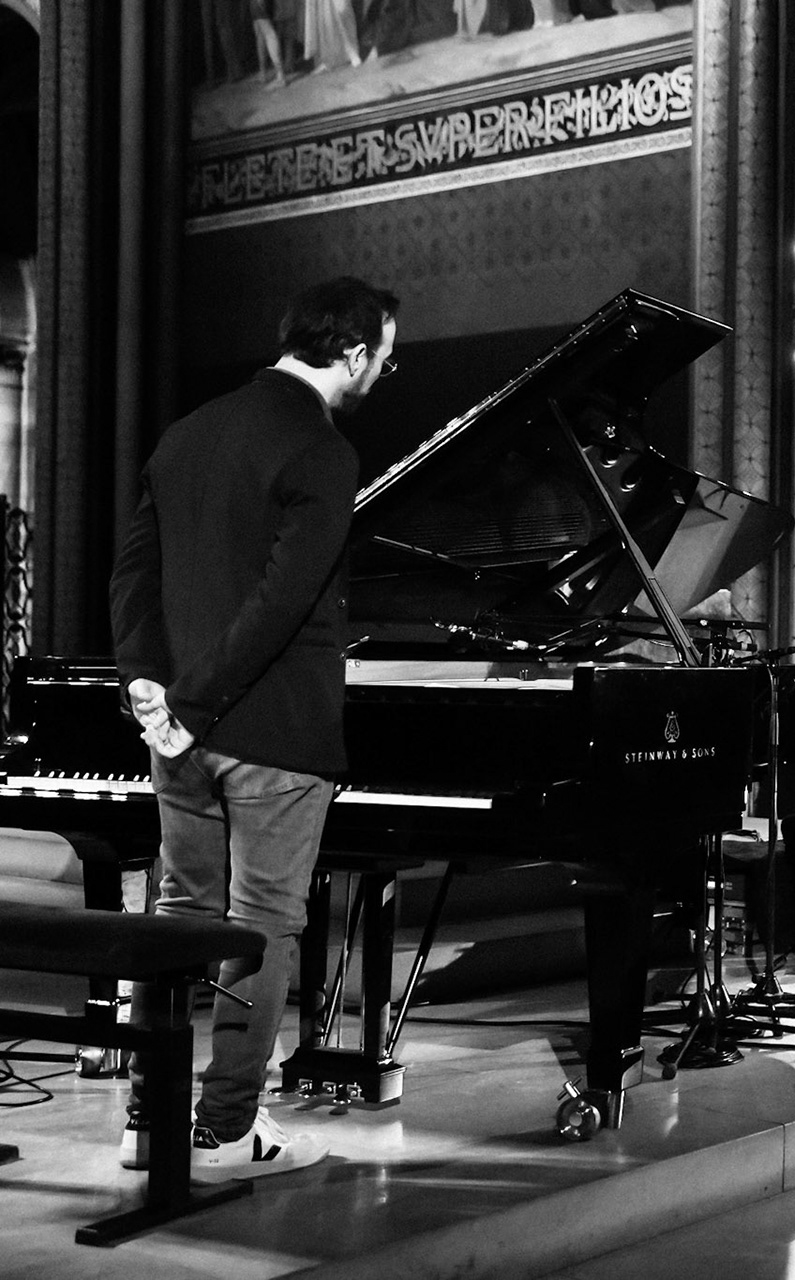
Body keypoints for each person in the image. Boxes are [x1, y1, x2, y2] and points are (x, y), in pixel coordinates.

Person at [109, 276, 400, 1181]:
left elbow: (132, 577)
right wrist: (191, 706)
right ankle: (227, 1129)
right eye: (385, 358)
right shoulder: (321, 449)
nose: (383, 373)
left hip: (177, 739)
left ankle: (146, 1123)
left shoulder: (187, 433)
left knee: (180, 915)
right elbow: (282, 604)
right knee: (265, 924)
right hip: (270, 733)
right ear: (353, 354)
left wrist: (150, 693)